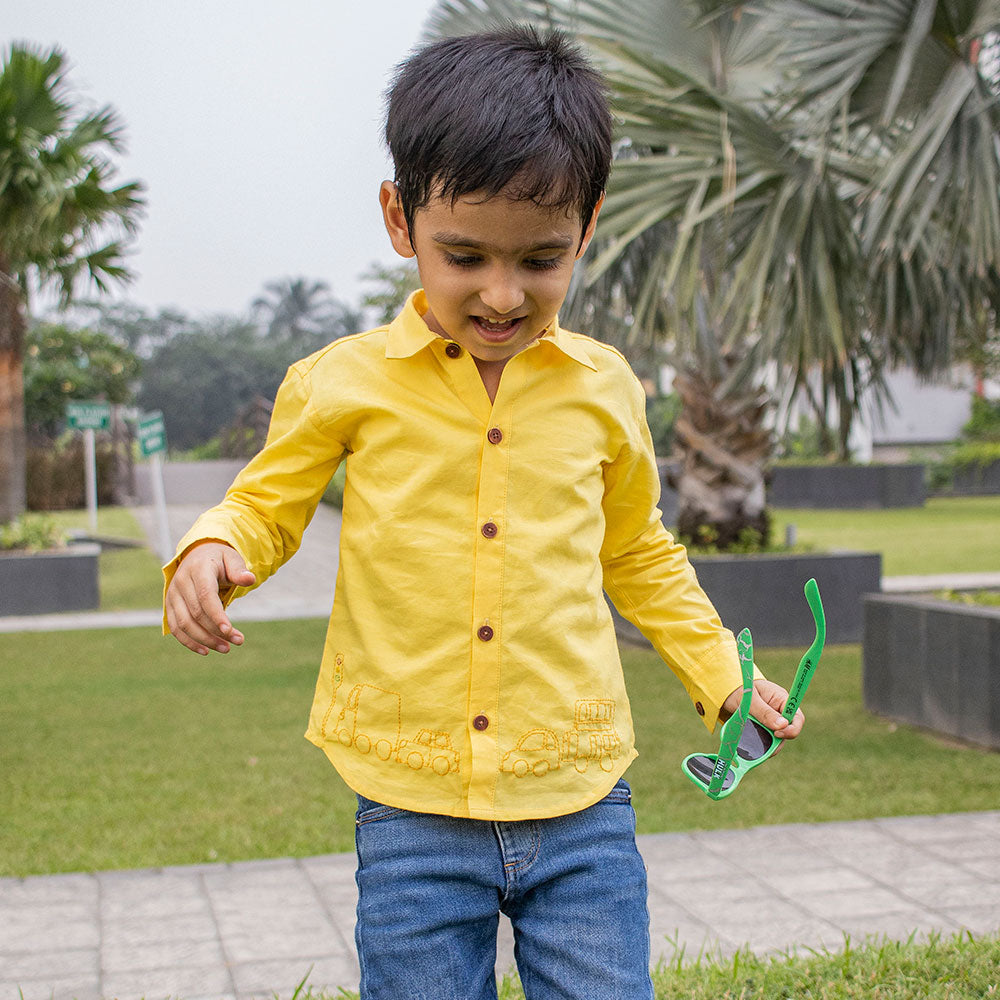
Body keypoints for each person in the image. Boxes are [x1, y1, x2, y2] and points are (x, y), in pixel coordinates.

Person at [164, 25, 804, 1000]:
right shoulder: (341, 382)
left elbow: (636, 549)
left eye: (541, 260)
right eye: (463, 255)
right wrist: (213, 545)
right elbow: (267, 502)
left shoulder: (603, 390)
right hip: (410, 803)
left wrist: (721, 673)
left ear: (586, 227)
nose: (501, 294)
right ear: (398, 218)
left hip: (580, 789)